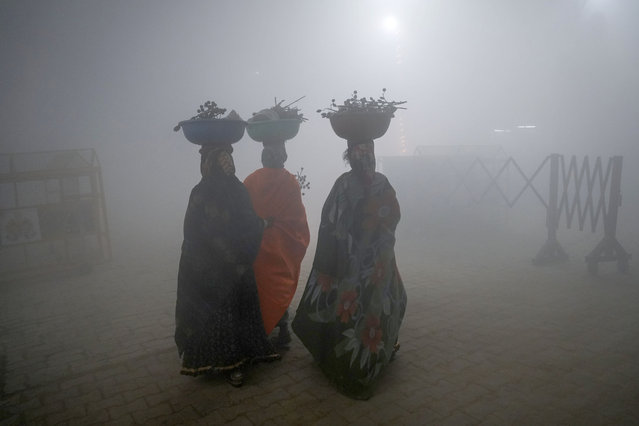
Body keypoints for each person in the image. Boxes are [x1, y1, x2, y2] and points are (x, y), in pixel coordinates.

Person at [291, 139, 407, 400]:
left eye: (367, 150)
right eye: (358, 151)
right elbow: (332, 221)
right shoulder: (344, 185)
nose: (364, 155)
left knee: (387, 303)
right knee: (353, 311)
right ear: (350, 155)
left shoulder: (382, 183)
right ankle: (357, 360)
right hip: (352, 264)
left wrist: (379, 238)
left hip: (377, 263)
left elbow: (393, 215)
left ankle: (378, 351)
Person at [175, 143, 280, 387]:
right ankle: (231, 365)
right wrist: (262, 225)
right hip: (226, 269)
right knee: (226, 317)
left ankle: (229, 364)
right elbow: (193, 232)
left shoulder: (223, 191)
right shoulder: (210, 192)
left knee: (224, 317)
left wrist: (258, 225)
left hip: (226, 270)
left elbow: (243, 222)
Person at [244, 141, 310, 348]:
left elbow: (244, 213)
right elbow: (297, 218)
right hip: (283, 245)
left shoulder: (251, 180)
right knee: (279, 287)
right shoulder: (290, 181)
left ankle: (259, 328)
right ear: (283, 156)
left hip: (257, 245)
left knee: (261, 288)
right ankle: (282, 329)